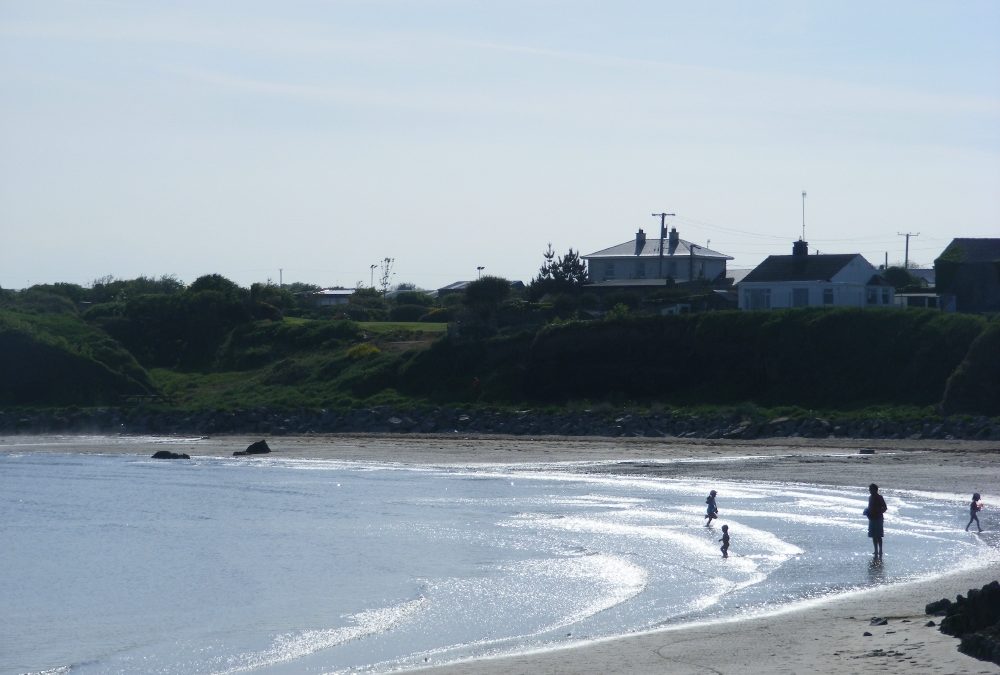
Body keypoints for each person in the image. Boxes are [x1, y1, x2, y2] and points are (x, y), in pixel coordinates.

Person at [866, 483, 888, 558]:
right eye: (869, 490)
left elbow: (885, 507)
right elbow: (869, 507)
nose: (869, 491)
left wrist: (879, 512)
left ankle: (880, 550)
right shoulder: (870, 497)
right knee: (873, 535)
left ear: (875, 490)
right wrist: (867, 513)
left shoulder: (880, 497)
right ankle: (875, 550)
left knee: (878, 535)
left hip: (878, 518)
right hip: (871, 518)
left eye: (870, 489)